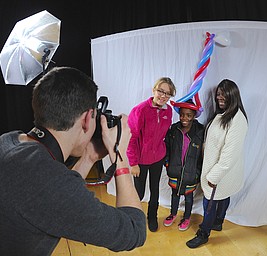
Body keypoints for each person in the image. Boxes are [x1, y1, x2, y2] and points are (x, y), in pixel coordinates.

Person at [0, 67, 146, 255]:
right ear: (87, 118)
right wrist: (120, 156)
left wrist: (89, 157)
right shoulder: (49, 185)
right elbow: (134, 230)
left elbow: (55, 194)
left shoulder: (8, 141)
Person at [186, 79, 248, 248]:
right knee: (222, 197)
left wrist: (214, 176)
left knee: (210, 203)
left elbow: (229, 155)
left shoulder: (237, 120)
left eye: (224, 94)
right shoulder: (222, 115)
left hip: (220, 171)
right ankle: (218, 222)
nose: (220, 97)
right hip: (217, 169)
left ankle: (204, 233)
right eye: (218, 94)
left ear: (233, 95)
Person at [127, 77, 176, 232]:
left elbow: (164, 134)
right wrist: (133, 163)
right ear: (154, 90)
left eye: (168, 94)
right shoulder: (140, 110)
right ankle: (132, 219)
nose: (163, 96)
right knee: (138, 193)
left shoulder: (168, 111)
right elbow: (131, 138)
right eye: (161, 91)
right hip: (140, 161)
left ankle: (152, 218)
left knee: (155, 190)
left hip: (157, 159)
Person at [163, 100, 204, 231]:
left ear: (194, 115)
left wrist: (197, 172)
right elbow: (167, 147)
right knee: (175, 194)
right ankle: (173, 214)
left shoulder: (200, 132)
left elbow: (203, 154)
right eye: (182, 115)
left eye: (188, 115)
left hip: (191, 173)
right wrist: (167, 163)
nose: (184, 118)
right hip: (175, 170)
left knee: (188, 197)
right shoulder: (174, 129)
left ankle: (186, 218)